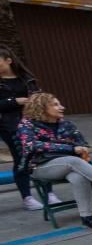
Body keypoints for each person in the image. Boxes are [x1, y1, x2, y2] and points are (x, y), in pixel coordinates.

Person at [17, 93, 92, 229]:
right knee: (73, 160)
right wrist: (70, 148)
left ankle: (87, 217)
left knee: (78, 176)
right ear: (41, 107)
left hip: (71, 165)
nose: (62, 107)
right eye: (56, 105)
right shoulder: (27, 124)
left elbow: (82, 142)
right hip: (40, 166)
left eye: (60, 104)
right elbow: (31, 145)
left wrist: (83, 148)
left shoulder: (66, 124)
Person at [0, 44, 44, 210]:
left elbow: (39, 96)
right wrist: (13, 102)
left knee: (41, 156)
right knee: (21, 159)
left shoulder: (26, 77)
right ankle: (27, 197)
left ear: (8, 60)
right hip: (9, 125)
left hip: (33, 121)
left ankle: (49, 193)